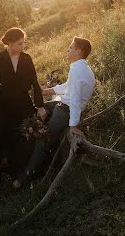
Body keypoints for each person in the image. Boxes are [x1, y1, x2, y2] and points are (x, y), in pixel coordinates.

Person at [13, 35, 95, 189]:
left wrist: (74, 126)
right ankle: (23, 149)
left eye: (70, 47)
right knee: (35, 108)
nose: (68, 49)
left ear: (78, 51)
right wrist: (45, 91)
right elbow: (68, 87)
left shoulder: (78, 70)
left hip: (66, 111)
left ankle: (23, 179)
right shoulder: (80, 67)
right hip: (63, 104)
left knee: (41, 142)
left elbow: (76, 100)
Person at [0, 27, 47, 178]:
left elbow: (35, 82)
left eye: (23, 43)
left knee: (25, 128)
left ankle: (25, 164)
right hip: (3, 100)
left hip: (21, 99)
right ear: (10, 43)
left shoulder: (26, 58)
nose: (22, 46)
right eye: (19, 43)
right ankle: (0, 161)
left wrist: (40, 105)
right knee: (1, 129)